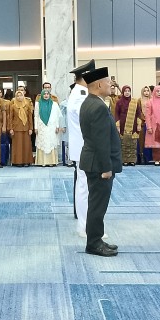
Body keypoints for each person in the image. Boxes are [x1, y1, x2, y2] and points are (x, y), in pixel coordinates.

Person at [78, 67, 122, 257]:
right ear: (98, 85)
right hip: (99, 164)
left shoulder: (91, 102)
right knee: (97, 205)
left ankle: (96, 239)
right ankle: (94, 243)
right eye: (108, 82)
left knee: (96, 204)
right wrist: (106, 168)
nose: (111, 84)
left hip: (94, 161)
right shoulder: (97, 106)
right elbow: (100, 141)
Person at [67, 59, 95, 237]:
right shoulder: (80, 96)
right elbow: (88, 122)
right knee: (84, 187)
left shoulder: (81, 93)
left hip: (84, 148)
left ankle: (88, 225)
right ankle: (84, 226)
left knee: (86, 186)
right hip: (85, 148)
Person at [113, 85, 142, 166]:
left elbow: (138, 114)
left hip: (133, 125)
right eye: (125, 91)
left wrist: (139, 125)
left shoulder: (134, 102)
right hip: (122, 125)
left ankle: (132, 160)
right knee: (124, 144)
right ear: (123, 92)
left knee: (133, 144)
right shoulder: (119, 102)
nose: (127, 93)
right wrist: (118, 126)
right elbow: (116, 114)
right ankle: (124, 160)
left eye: (128, 91)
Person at [34, 87, 63, 166]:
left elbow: (57, 116)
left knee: (51, 142)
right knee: (42, 142)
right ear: (42, 95)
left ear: (49, 95)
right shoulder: (38, 104)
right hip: (41, 127)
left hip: (51, 127)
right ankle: (42, 162)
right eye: (44, 94)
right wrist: (36, 127)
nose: (46, 95)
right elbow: (36, 116)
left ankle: (52, 162)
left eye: (47, 94)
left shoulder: (54, 104)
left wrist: (57, 126)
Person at [9, 88, 33, 166]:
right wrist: (11, 128)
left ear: (23, 96)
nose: (19, 97)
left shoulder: (27, 105)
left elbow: (30, 118)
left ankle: (26, 161)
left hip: (26, 128)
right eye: (18, 96)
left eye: (21, 95)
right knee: (18, 146)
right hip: (16, 128)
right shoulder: (13, 106)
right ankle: (18, 162)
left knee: (26, 145)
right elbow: (10, 118)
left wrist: (31, 128)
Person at [137, 86, 152, 164]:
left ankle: (149, 158)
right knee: (141, 140)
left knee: (150, 140)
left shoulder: (152, 100)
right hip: (142, 122)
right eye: (145, 91)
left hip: (151, 123)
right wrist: (143, 119)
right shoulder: (139, 100)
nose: (146, 92)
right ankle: (141, 156)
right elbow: (138, 112)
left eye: (147, 91)